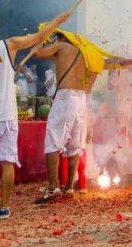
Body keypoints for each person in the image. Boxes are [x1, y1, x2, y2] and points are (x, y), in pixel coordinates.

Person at [0, 12, 69, 220]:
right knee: (7, 161)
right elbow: (38, 37)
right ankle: (4, 208)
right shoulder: (10, 44)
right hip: (8, 117)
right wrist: (56, 21)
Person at [33, 32, 98, 202]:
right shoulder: (83, 52)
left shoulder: (62, 45)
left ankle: (53, 187)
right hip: (81, 97)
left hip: (66, 96)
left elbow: (38, 53)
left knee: (53, 140)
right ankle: (69, 187)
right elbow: (93, 74)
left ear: (60, 38)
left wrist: (42, 37)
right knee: (74, 144)